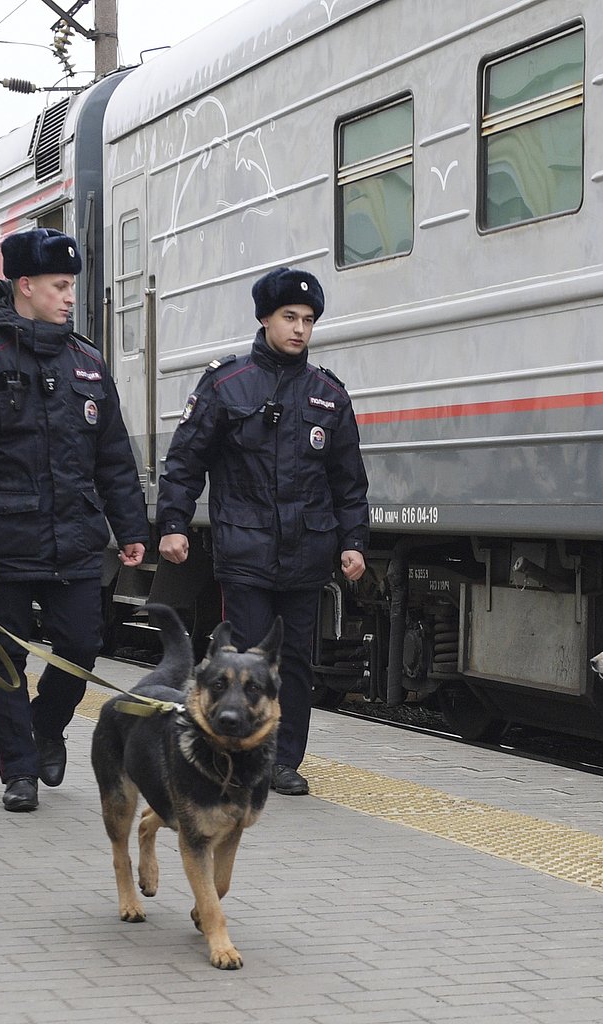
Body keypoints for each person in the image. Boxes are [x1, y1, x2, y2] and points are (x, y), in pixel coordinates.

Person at [157, 266, 369, 796]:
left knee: (295, 660)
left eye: (308, 320)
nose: (299, 329)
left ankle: (281, 759)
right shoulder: (226, 385)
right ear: (265, 319)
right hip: (245, 551)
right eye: (289, 317)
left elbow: (349, 481)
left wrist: (354, 543)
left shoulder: (328, 396)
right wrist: (174, 525)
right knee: (244, 658)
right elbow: (185, 463)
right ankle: (234, 754)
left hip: (307, 553)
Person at [0, 228, 148, 812]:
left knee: (82, 647)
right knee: (2, 659)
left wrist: (133, 528)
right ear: (25, 286)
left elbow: (114, 456)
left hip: (73, 539)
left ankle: (46, 729)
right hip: (0, 540)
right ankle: (18, 771)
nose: (70, 297)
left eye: (72, 286)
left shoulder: (87, 363)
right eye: (61, 286)